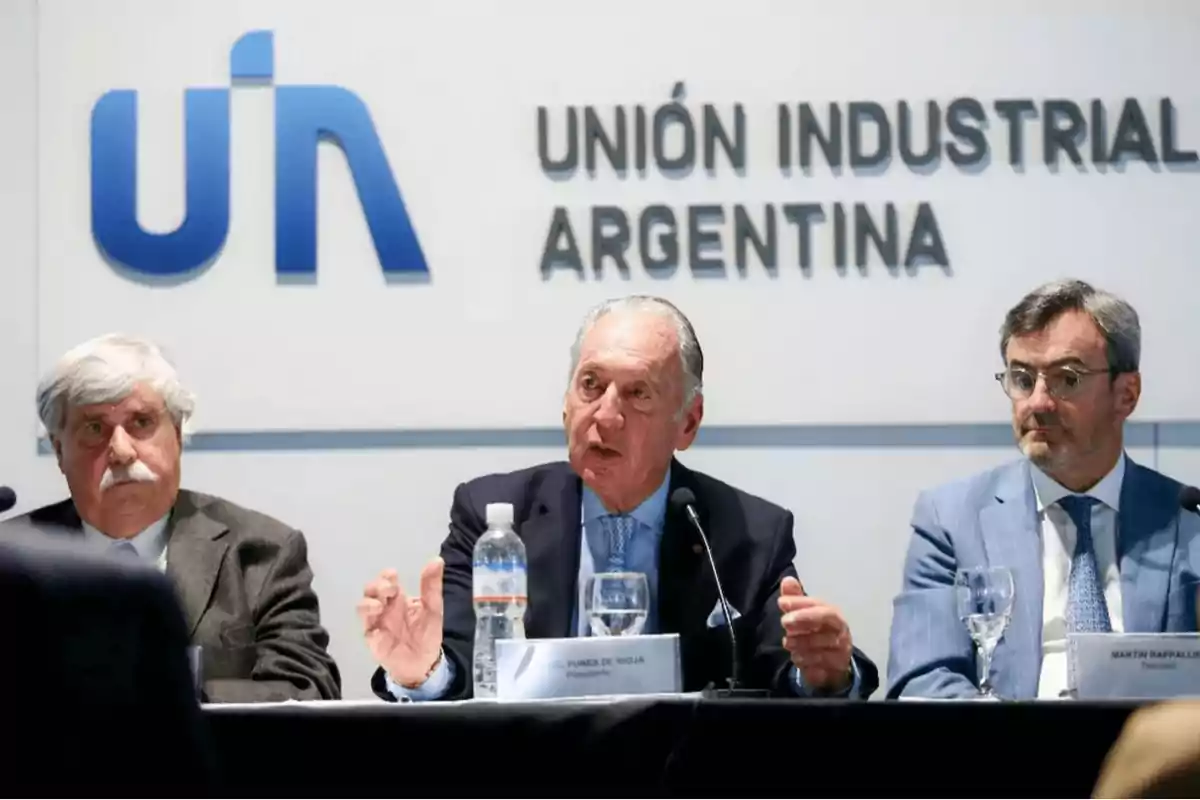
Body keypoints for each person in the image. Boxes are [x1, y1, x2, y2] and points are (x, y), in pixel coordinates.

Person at [359, 295, 879, 700]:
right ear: (565, 404)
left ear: (689, 423)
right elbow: (459, 669)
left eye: (638, 394)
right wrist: (420, 671)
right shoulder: (494, 517)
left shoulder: (745, 533)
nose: (604, 416)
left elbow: (788, 672)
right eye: (590, 385)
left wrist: (827, 675)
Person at [887, 279, 1200, 699]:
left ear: (1126, 395)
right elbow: (922, 679)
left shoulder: (1187, 519)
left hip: (1149, 758)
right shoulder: (951, 519)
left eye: (1066, 380)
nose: (1037, 403)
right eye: (1021, 379)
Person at [6, 333, 341, 703]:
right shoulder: (12, 560)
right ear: (58, 451)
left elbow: (306, 687)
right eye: (94, 428)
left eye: (141, 422)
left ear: (177, 436)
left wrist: (162, 697)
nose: (120, 451)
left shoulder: (261, 552)